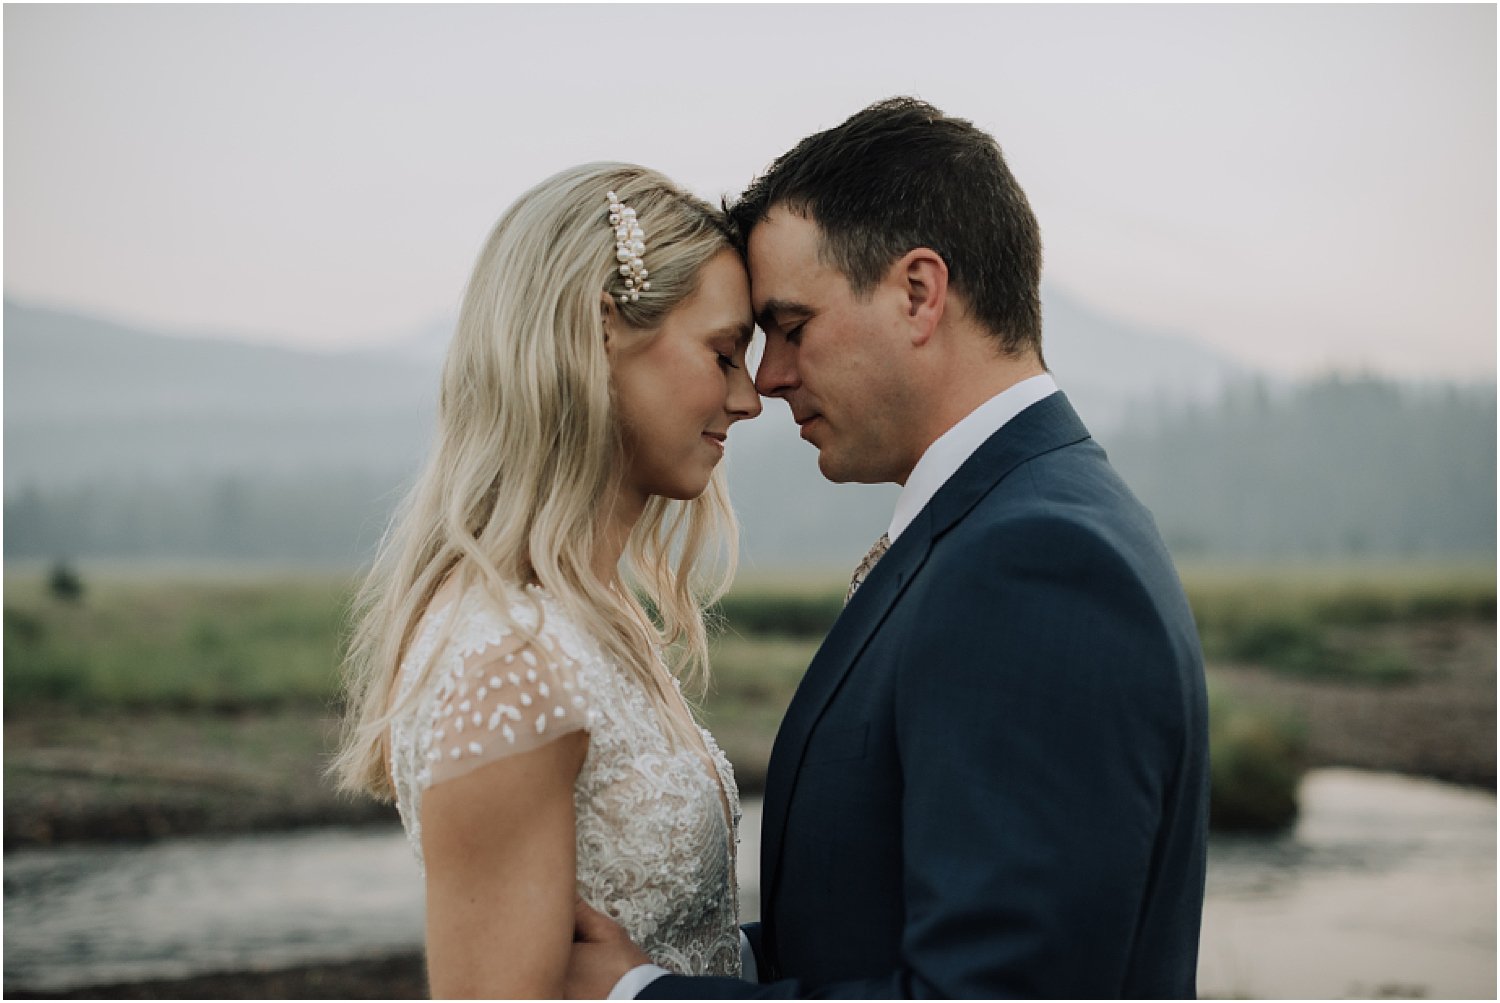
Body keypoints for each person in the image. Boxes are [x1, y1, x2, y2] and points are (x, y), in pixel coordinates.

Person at [567, 98, 1210, 999]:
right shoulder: (1015, 515)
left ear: (918, 292)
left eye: (792, 327)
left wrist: (640, 997)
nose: (768, 379)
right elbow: (872, 921)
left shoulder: (1036, 562)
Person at [333, 162, 762, 998]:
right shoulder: (510, 657)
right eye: (723, 352)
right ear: (601, 330)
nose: (748, 398)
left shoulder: (596, 614)